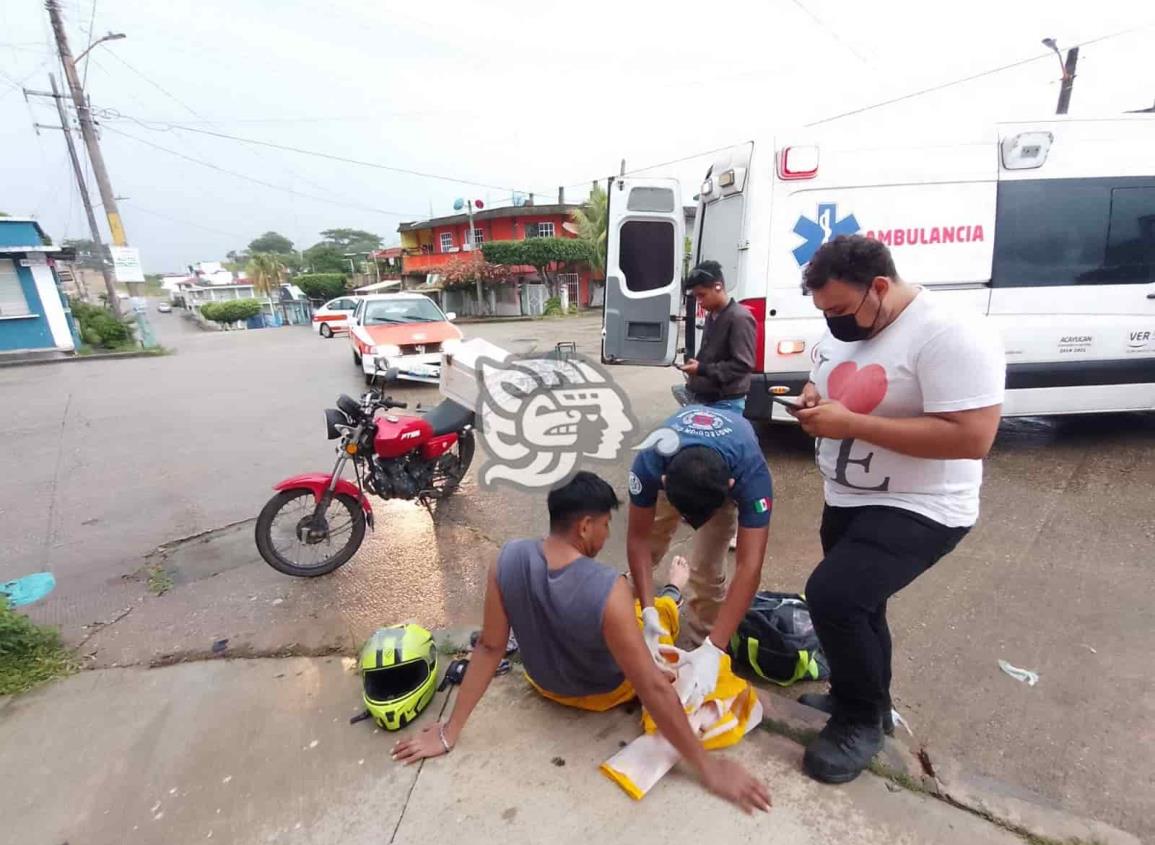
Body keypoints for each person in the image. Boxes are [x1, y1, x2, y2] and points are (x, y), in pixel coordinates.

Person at [391, 471, 771, 814]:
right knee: (658, 626)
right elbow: (652, 688)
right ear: (586, 526)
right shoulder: (609, 589)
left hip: (543, 684)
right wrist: (708, 769)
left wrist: (448, 731)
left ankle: (670, 592)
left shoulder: (506, 559)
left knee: (631, 611)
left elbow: (490, 648)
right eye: (606, 525)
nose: (607, 535)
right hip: (603, 694)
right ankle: (673, 591)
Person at [788, 235, 1005, 784]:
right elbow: (822, 375)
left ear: (879, 287)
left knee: (833, 597)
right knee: (862, 607)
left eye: (838, 309)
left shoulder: (950, 333)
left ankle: (860, 722)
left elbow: (973, 436)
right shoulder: (845, 327)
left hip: (923, 505)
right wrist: (812, 398)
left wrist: (853, 425)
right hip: (847, 498)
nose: (832, 320)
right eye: (823, 312)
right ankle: (864, 700)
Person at [627, 405, 773, 709]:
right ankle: (631, 619)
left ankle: (703, 650)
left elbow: (749, 566)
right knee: (651, 547)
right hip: (679, 476)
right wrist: (650, 610)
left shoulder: (752, 476)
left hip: (717, 479)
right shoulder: (649, 461)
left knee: (707, 570)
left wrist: (714, 648)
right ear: (663, 483)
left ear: (732, 488)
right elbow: (637, 539)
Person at [679, 260, 756, 415]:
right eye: (696, 297)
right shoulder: (712, 314)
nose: (699, 302)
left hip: (726, 402)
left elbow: (742, 366)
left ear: (718, 286)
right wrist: (698, 365)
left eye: (702, 295)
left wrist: (702, 369)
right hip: (706, 398)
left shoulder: (739, 318)